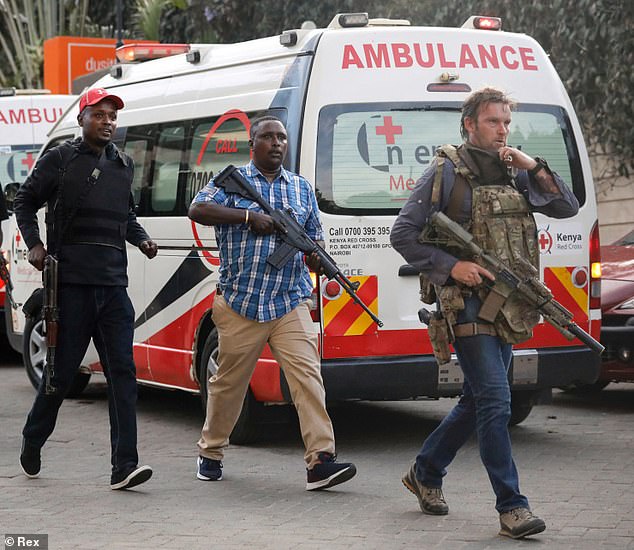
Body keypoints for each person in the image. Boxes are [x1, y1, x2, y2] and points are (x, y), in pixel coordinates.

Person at [390, 87, 579, 539]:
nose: (502, 131)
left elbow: (567, 207)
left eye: (507, 122)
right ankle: (512, 506)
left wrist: (531, 164)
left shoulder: (516, 174)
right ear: (470, 124)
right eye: (493, 121)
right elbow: (404, 233)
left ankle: (426, 471)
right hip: (466, 303)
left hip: (510, 306)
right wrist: (453, 265)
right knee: (496, 399)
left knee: (478, 399)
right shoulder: (446, 172)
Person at [189, 115, 356, 491]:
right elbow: (197, 210)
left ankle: (320, 461)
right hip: (240, 302)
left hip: (289, 301)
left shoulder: (300, 189)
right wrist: (250, 216)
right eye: (268, 137)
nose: (277, 143)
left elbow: (315, 237)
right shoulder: (231, 182)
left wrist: (317, 257)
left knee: (308, 379)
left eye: (281, 137)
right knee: (228, 385)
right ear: (253, 144)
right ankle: (211, 452)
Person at [14, 88, 158, 490]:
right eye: (100, 114)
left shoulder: (124, 165)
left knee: (123, 375)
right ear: (83, 119)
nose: (108, 122)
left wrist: (142, 238)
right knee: (59, 377)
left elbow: (124, 217)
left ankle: (123, 466)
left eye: (112, 116)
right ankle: (32, 437)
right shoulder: (59, 159)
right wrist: (36, 245)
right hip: (72, 289)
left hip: (114, 288)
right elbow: (24, 202)